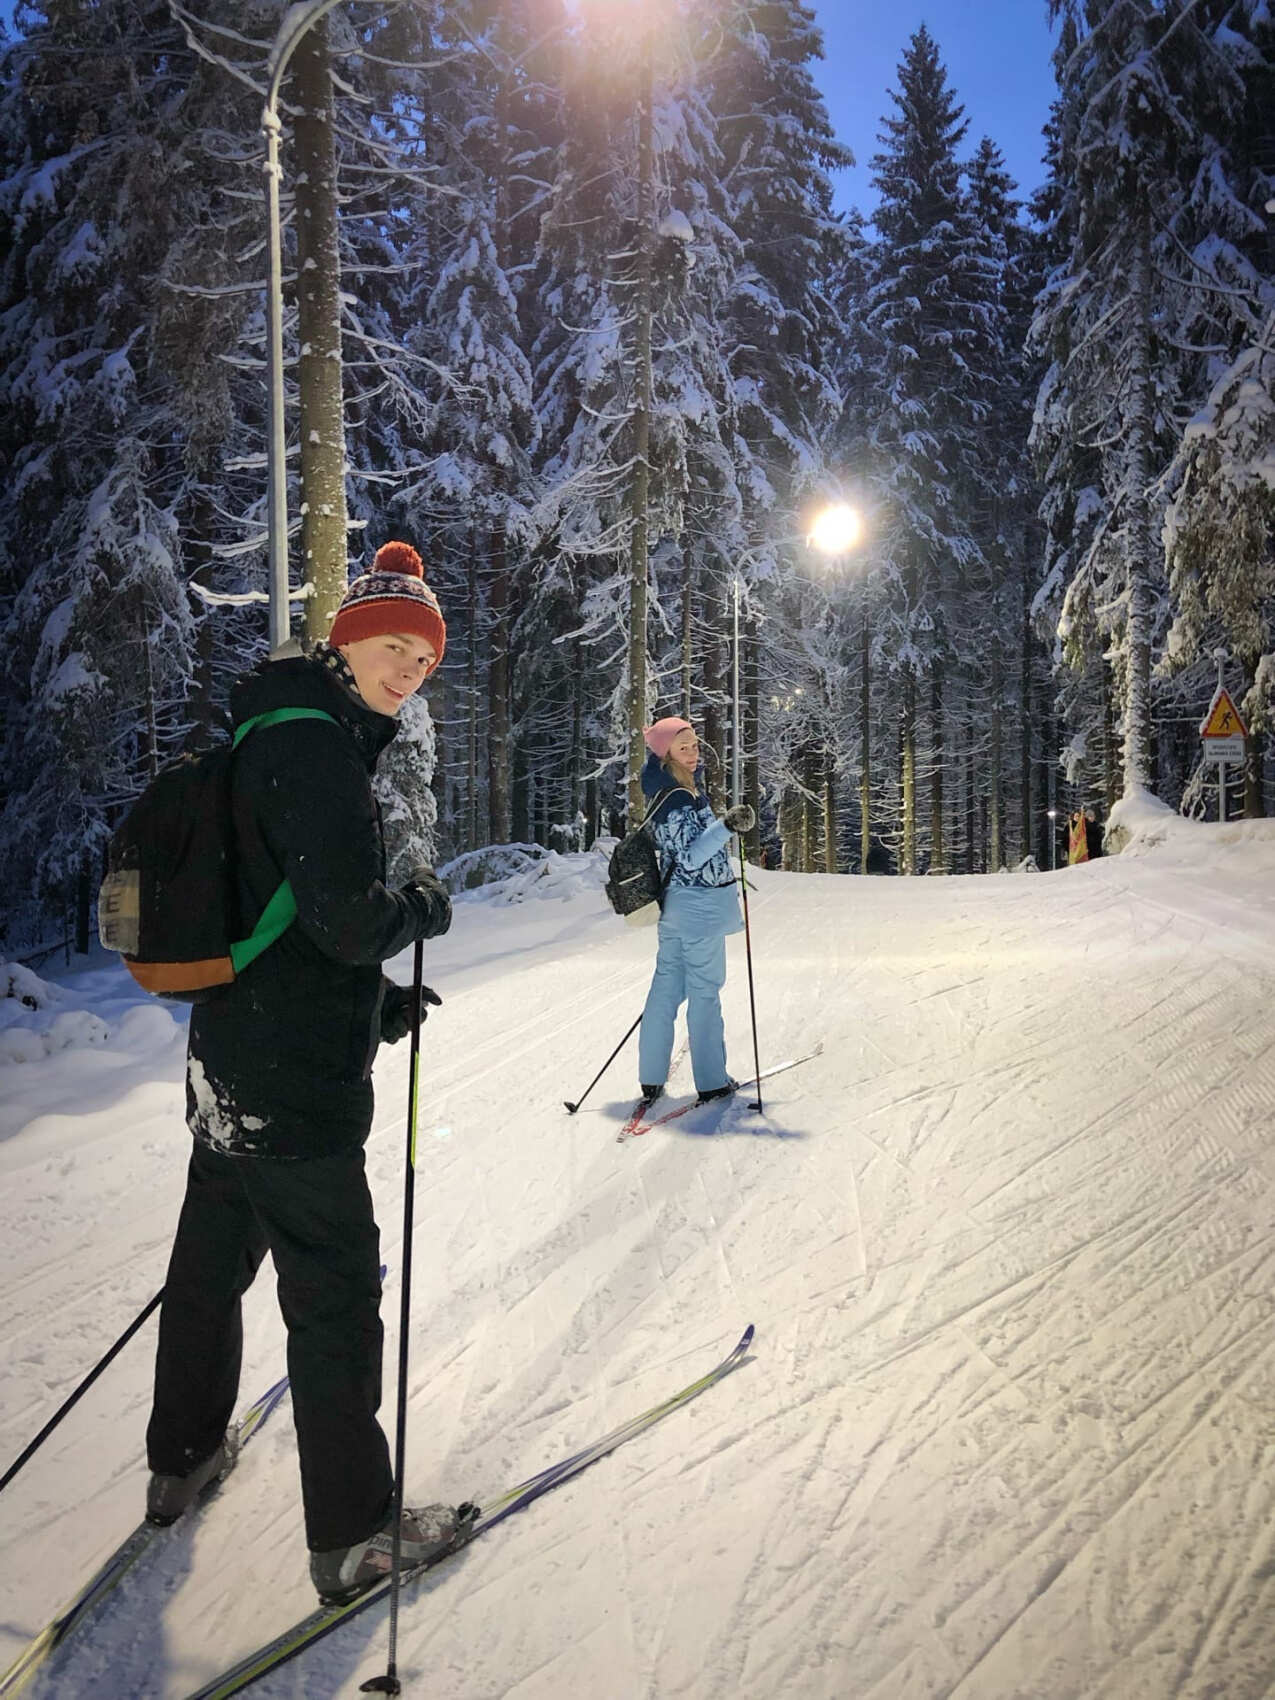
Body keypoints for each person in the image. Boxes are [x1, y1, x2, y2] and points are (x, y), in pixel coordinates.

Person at [145, 541, 459, 1605]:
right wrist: (419, 906)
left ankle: (180, 1457)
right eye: (390, 643)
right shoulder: (319, 749)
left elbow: (284, 922)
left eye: (422, 654)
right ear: (347, 639)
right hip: (295, 1097)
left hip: (231, 1066)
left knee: (207, 1271)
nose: (408, 666)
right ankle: (356, 1533)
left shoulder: (269, 730)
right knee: (332, 1296)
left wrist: (378, 1002)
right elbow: (345, 918)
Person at [635, 717, 755, 1108]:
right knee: (705, 991)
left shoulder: (668, 790)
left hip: (677, 906)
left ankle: (651, 1078)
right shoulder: (679, 797)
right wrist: (727, 826)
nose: (693, 752)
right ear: (665, 751)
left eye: (695, 744)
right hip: (698, 906)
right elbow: (691, 855)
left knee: (666, 987)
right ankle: (712, 1080)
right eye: (682, 746)